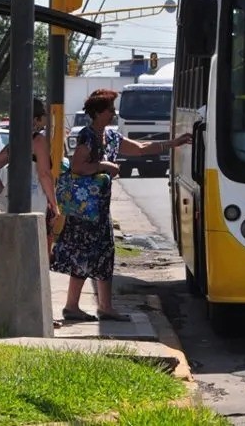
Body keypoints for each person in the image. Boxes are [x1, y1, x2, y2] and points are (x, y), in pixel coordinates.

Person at [50, 89, 192, 322]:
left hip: (100, 211)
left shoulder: (112, 137)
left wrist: (173, 143)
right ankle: (76, 306)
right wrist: (105, 166)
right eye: (110, 110)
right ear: (97, 113)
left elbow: (141, 148)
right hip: (85, 211)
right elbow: (78, 167)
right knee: (85, 257)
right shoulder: (87, 136)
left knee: (103, 255)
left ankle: (101, 307)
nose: (114, 114)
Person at [0, 98, 60, 254]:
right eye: (44, 115)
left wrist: (4, 191)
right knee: (36, 250)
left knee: (13, 249)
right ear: (36, 118)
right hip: (36, 203)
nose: (47, 119)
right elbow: (44, 174)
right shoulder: (38, 141)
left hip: (12, 202)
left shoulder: (14, 141)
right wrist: (54, 204)